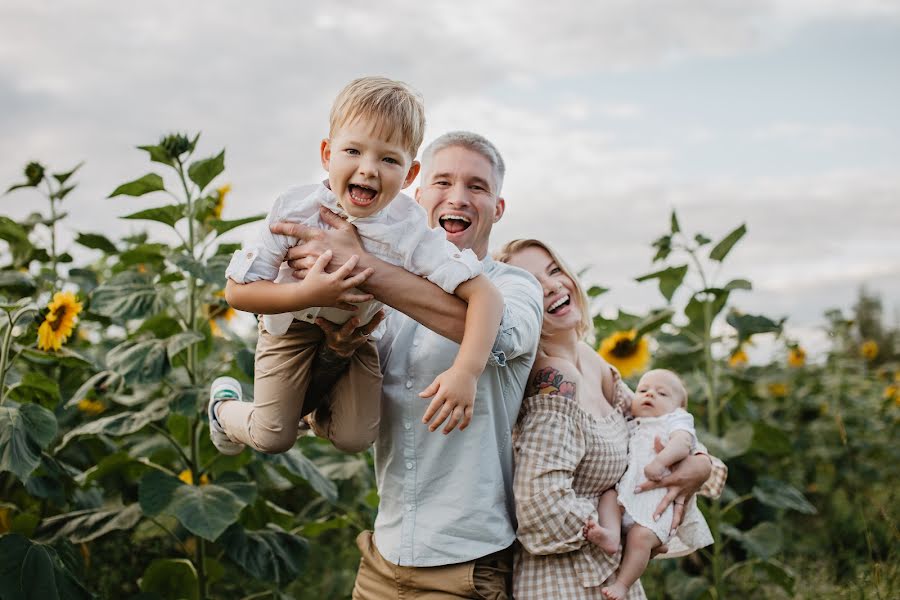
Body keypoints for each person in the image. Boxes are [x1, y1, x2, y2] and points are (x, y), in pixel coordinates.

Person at [270, 132, 543, 599]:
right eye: (443, 182)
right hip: (383, 555)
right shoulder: (374, 296)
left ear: (497, 208)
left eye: (477, 187)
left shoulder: (515, 287)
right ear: (417, 198)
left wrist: (366, 265)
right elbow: (316, 409)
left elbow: (496, 332)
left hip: (466, 566)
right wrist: (336, 348)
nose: (458, 197)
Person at [209, 79, 504, 458]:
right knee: (272, 437)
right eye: (353, 151)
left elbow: (486, 296)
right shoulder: (296, 210)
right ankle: (223, 409)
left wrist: (466, 371)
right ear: (326, 154)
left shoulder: (410, 230)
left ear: (410, 175)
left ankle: (308, 409)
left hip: (357, 337)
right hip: (291, 327)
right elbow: (237, 292)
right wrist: (308, 293)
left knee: (354, 438)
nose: (368, 170)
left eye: (388, 159)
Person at [495, 239, 727, 600]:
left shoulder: (592, 362)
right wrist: (625, 532)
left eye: (554, 271)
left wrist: (700, 465)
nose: (553, 286)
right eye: (531, 285)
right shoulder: (552, 380)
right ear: (515, 306)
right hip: (565, 583)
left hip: (611, 580)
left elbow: (659, 424)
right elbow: (539, 509)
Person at [584, 369, 713, 600]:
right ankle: (611, 535)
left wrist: (660, 461)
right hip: (627, 497)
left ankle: (622, 585)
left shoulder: (675, 421)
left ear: (680, 408)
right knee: (608, 497)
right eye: (643, 390)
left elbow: (683, 444)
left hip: (656, 508)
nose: (649, 394)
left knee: (640, 538)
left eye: (662, 393)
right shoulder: (633, 422)